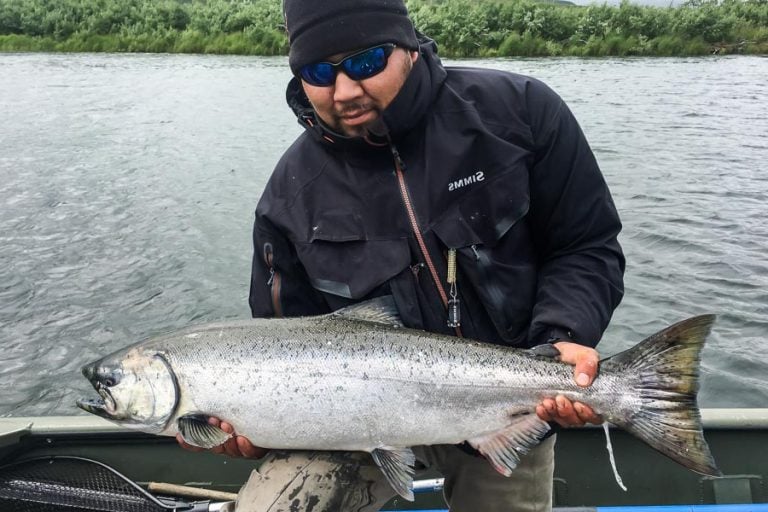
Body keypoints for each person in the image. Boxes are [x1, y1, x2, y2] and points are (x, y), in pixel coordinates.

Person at [180, 0, 625, 510]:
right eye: (319, 72)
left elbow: (586, 246)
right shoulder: (288, 198)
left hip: (503, 402)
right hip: (351, 423)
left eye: (366, 62)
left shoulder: (519, 113)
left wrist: (563, 335)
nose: (345, 91)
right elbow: (282, 342)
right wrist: (255, 427)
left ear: (408, 47)